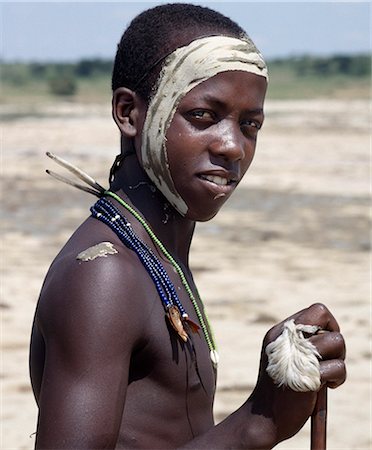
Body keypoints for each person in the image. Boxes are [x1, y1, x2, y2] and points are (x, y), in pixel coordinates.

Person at [29, 4, 346, 449]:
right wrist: (260, 421)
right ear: (128, 113)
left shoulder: (155, 256)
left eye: (250, 124)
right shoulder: (105, 276)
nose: (233, 146)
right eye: (203, 115)